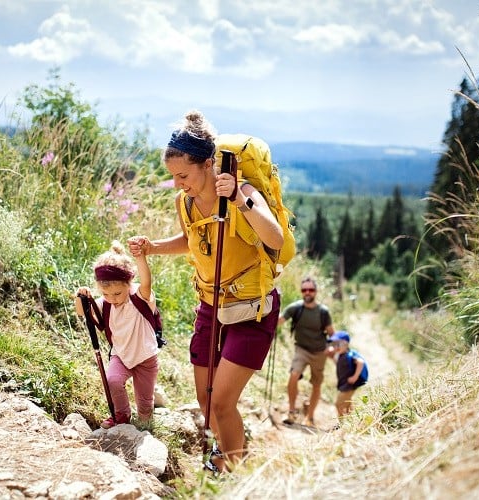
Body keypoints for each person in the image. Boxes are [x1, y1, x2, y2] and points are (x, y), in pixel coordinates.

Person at [128, 110, 283, 473]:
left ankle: (234, 471)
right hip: (210, 306)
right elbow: (193, 239)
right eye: (173, 177)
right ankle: (229, 453)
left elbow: (274, 237)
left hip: (251, 309)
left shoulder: (242, 192)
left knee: (223, 403)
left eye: (183, 175)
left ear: (208, 164)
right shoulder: (185, 201)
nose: (178, 183)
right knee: (205, 399)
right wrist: (153, 247)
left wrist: (241, 202)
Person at [75, 239, 160, 429]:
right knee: (112, 380)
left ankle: (146, 425)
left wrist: (140, 257)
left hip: (146, 358)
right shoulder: (105, 304)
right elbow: (82, 312)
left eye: (117, 293)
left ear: (129, 284)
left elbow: (146, 281)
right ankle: (122, 415)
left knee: (144, 401)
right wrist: (80, 297)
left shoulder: (139, 297)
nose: (112, 299)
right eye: (106, 294)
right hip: (121, 354)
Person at [277, 277, 335, 426]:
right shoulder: (295, 308)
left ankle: (309, 417)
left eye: (311, 290)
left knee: (316, 384)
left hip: (319, 352)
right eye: (304, 290)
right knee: (293, 375)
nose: (307, 292)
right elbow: (280, 320)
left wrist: (332, 347)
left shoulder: (323, 312)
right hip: (301, 349)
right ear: (301, 292)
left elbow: (332, 333)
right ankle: (292, 412)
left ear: (316, 292)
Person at [326, 330, 368, 418]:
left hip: (349, 385)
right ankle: (353, 419)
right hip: (345, 384)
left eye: (338, 344)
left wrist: (355, 377)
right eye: (334, 344)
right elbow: (340, 366)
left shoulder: (350, 355)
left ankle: (342, 423)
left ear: (346, 344)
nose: (336, 347)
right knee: (348, 403)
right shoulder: (341, 356)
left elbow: (360, 362)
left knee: (338, 404)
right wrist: (332, 357)